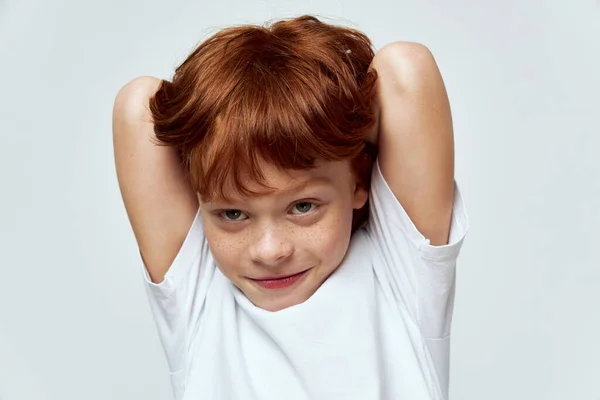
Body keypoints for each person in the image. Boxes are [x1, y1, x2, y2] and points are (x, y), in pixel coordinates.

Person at [112, 14, 469, 400]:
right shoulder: (199, 299)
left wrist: (322, 122)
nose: (270, 250)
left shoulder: (401, 278)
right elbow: (138, 107)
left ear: (358, 182)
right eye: (233, 214)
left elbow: (406, 69)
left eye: (302, 206)